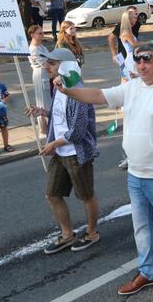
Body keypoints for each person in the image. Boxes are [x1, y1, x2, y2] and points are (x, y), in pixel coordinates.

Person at [54, 43, 153, 295]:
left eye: (147, 60)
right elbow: (99, 96)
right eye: (137, 60)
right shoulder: (133, 86)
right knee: (141, 225)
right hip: (136, 173)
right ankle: (148, 272)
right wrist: (68, 91)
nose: (141, 65)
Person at [25, 48, 99, 254]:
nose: (47, 67)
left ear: (66, 66)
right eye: (47, 63)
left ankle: (92, 233)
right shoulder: (58, 86)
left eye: (53, 63)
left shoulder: (77, 90)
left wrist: (53, 145)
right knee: (52, 194)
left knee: (86, 196)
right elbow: (62, 116)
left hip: (76, 151)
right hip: (60, 152)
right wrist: (43, 112)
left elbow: (78, 129)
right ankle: (68, 235)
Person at [28, 25, 52, 132]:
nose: (42, 35)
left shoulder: (41, 46)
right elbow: (45, 64)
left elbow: (51, 57)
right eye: (39, 33)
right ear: (32, 35)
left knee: (47, 101)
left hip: (46, 74)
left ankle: (49, 126)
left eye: (42, 33)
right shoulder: (34, 49)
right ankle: (44, 128)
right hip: (40, 75)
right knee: (42, 102)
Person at [107, 6, 140, 80]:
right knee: (125, 77)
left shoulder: (137, 24)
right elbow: (110, 38)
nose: (136, 16)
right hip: (122, 55)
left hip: (132, 54)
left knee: (126, 78)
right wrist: (114, 54)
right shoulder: (120, 27)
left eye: (137, 14)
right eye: (134, 14)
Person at [118, 11, 138, 81]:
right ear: (128, 19)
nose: (136, 19)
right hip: (131, 59)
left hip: (132, 57)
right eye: (134, 17)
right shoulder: (127, 33)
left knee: (129, 79)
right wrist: (150, 42)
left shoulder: (128, 32)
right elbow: (135, 45)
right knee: (133, 81)